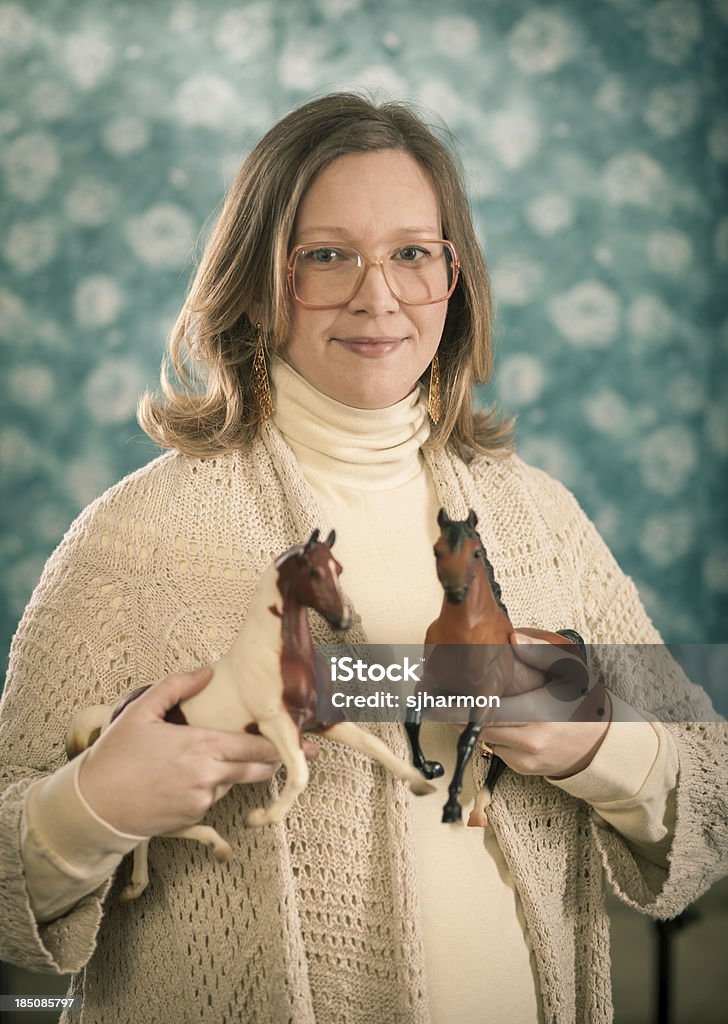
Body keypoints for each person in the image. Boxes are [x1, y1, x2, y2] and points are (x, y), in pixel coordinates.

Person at [0, 93, 725, 1024]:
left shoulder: (543, 522)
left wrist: (590, 741)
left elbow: (714, 787)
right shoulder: (135, 539)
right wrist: (92, 804)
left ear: (452, 279)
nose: (377, 296)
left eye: (413, 254)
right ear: (262, 283)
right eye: (327, 255)